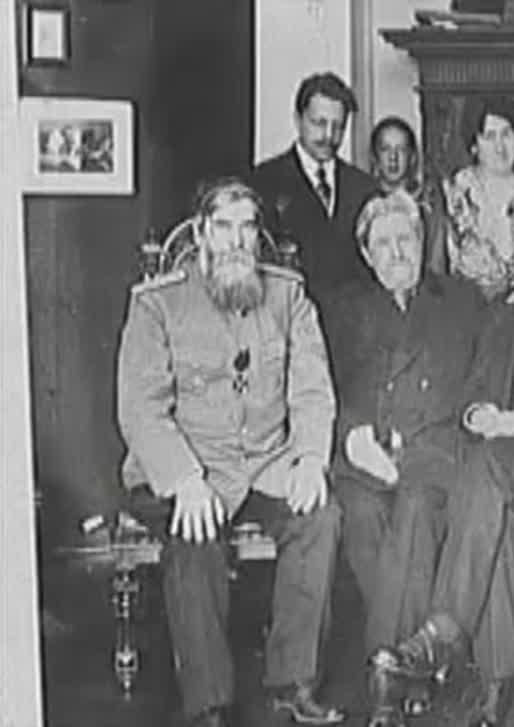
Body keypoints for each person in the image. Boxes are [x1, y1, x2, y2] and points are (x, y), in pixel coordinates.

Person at [369, 189, 514, 727]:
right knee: (489, 505)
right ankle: (494, 686)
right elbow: (473, 386)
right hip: (501, 459)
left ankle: (444, 632)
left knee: (485, 472)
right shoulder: (505, 310)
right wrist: (479, 414)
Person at [115, 178, 343, 727]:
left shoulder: (288, 296)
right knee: (194, 538)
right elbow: (140, 407)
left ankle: (292, 684)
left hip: (265, 463)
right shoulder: (157, 303)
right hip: (188, 465)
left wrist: (310, 459)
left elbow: (312, 389)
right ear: (200, 233)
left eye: (247, 228)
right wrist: (184, 479)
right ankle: (209, 706)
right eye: (224, 228)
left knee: (321, 517)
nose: (238, 241)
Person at [324, 191, 487, 679]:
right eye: (383, 243)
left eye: (406, 239)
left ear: (422, 242)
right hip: (366, 455)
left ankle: (386, 667)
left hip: (436, 454)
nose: (397, 252)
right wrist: (354, 436)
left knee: (415, 505)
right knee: (359, 511)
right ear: (365, 253)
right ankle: (414, 660)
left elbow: (478, 387)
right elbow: (326, 389)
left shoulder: (461, 301)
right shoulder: (344, 309)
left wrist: (419, 447)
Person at [249, 72, 379, 307]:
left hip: (355, 321)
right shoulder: (264, 182)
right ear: (298, 119)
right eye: (319, 123)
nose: (329, 136)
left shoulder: (364, 188)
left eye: (338, 127)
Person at [443, 95, 514, 300]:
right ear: (474, 146)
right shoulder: (457, 192)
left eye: (506, 134)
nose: (500, 147)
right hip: (468, 304)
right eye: (490, 137)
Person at [368, 116, 448, 276]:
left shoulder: (428, 204)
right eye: (385, 149)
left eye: (401, 149)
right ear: (375, 157)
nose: (393, 157)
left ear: (412, 157)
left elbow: (437, 262)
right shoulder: (365, 203)